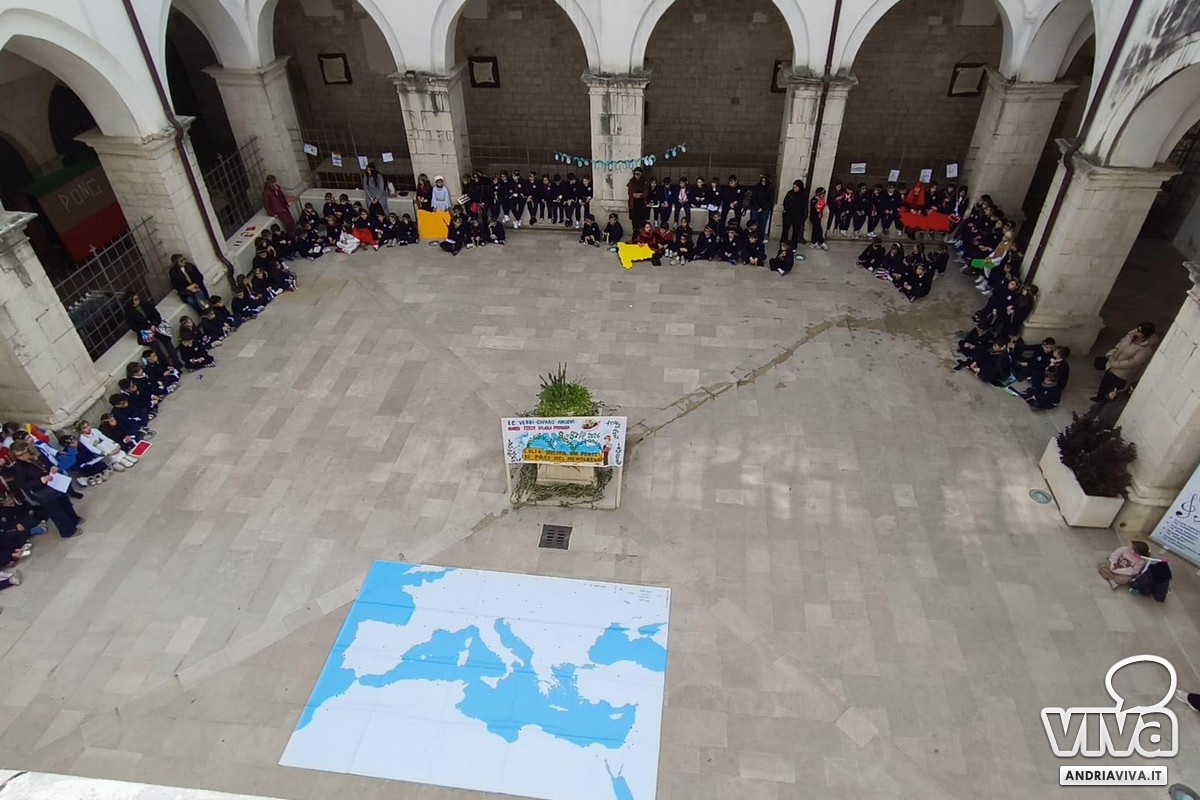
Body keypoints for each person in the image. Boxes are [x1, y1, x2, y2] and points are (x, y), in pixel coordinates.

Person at [8, 440, 82, 539]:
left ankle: (74, 519)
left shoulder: (36, 455)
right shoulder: (18, 469)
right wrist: (41, 480)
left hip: (53, 483)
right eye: (18, 456)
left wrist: (52, 468)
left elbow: (47, 463)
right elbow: (23, 485)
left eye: (23, 453)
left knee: (65, 501)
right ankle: (67, 531)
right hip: (41, 491)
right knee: (56, 511)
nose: (21, 457)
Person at [1092, 322, 1159, 401]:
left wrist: (1115, 363)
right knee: (1105, 383)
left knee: (1112, 390)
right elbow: (1119, 345)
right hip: (1112, 365)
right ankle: (1099, 398)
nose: (1135, 331)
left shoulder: (1145, 350)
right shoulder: (1130, 337)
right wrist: (1111, 354)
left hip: (1122, 373)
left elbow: (1133, 362)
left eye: (1139, 331)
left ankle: (1103, 405)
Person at [123, 291, 180, 368]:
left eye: (137, 298)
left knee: (166, 340)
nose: (138, 300)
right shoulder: (128, 311)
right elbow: (132, 325)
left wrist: (154, 324)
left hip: (155, 325)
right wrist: (145, 329)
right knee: (155, 345)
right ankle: (166, 365)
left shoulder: (145, 303)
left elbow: (156, 315)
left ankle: (176, 362)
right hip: (145, 330)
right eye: (135, 299)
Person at [780, 180, 807, 247]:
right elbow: (785, 202)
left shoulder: (803, 195)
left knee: (796, 231)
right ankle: (783, 243)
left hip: (797, 216)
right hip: (788, 215)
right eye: (794, 187)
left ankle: (793, 245)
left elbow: (803, 206)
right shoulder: (790, 193)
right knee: (785, 230)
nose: (794, 189)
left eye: (796, 187)